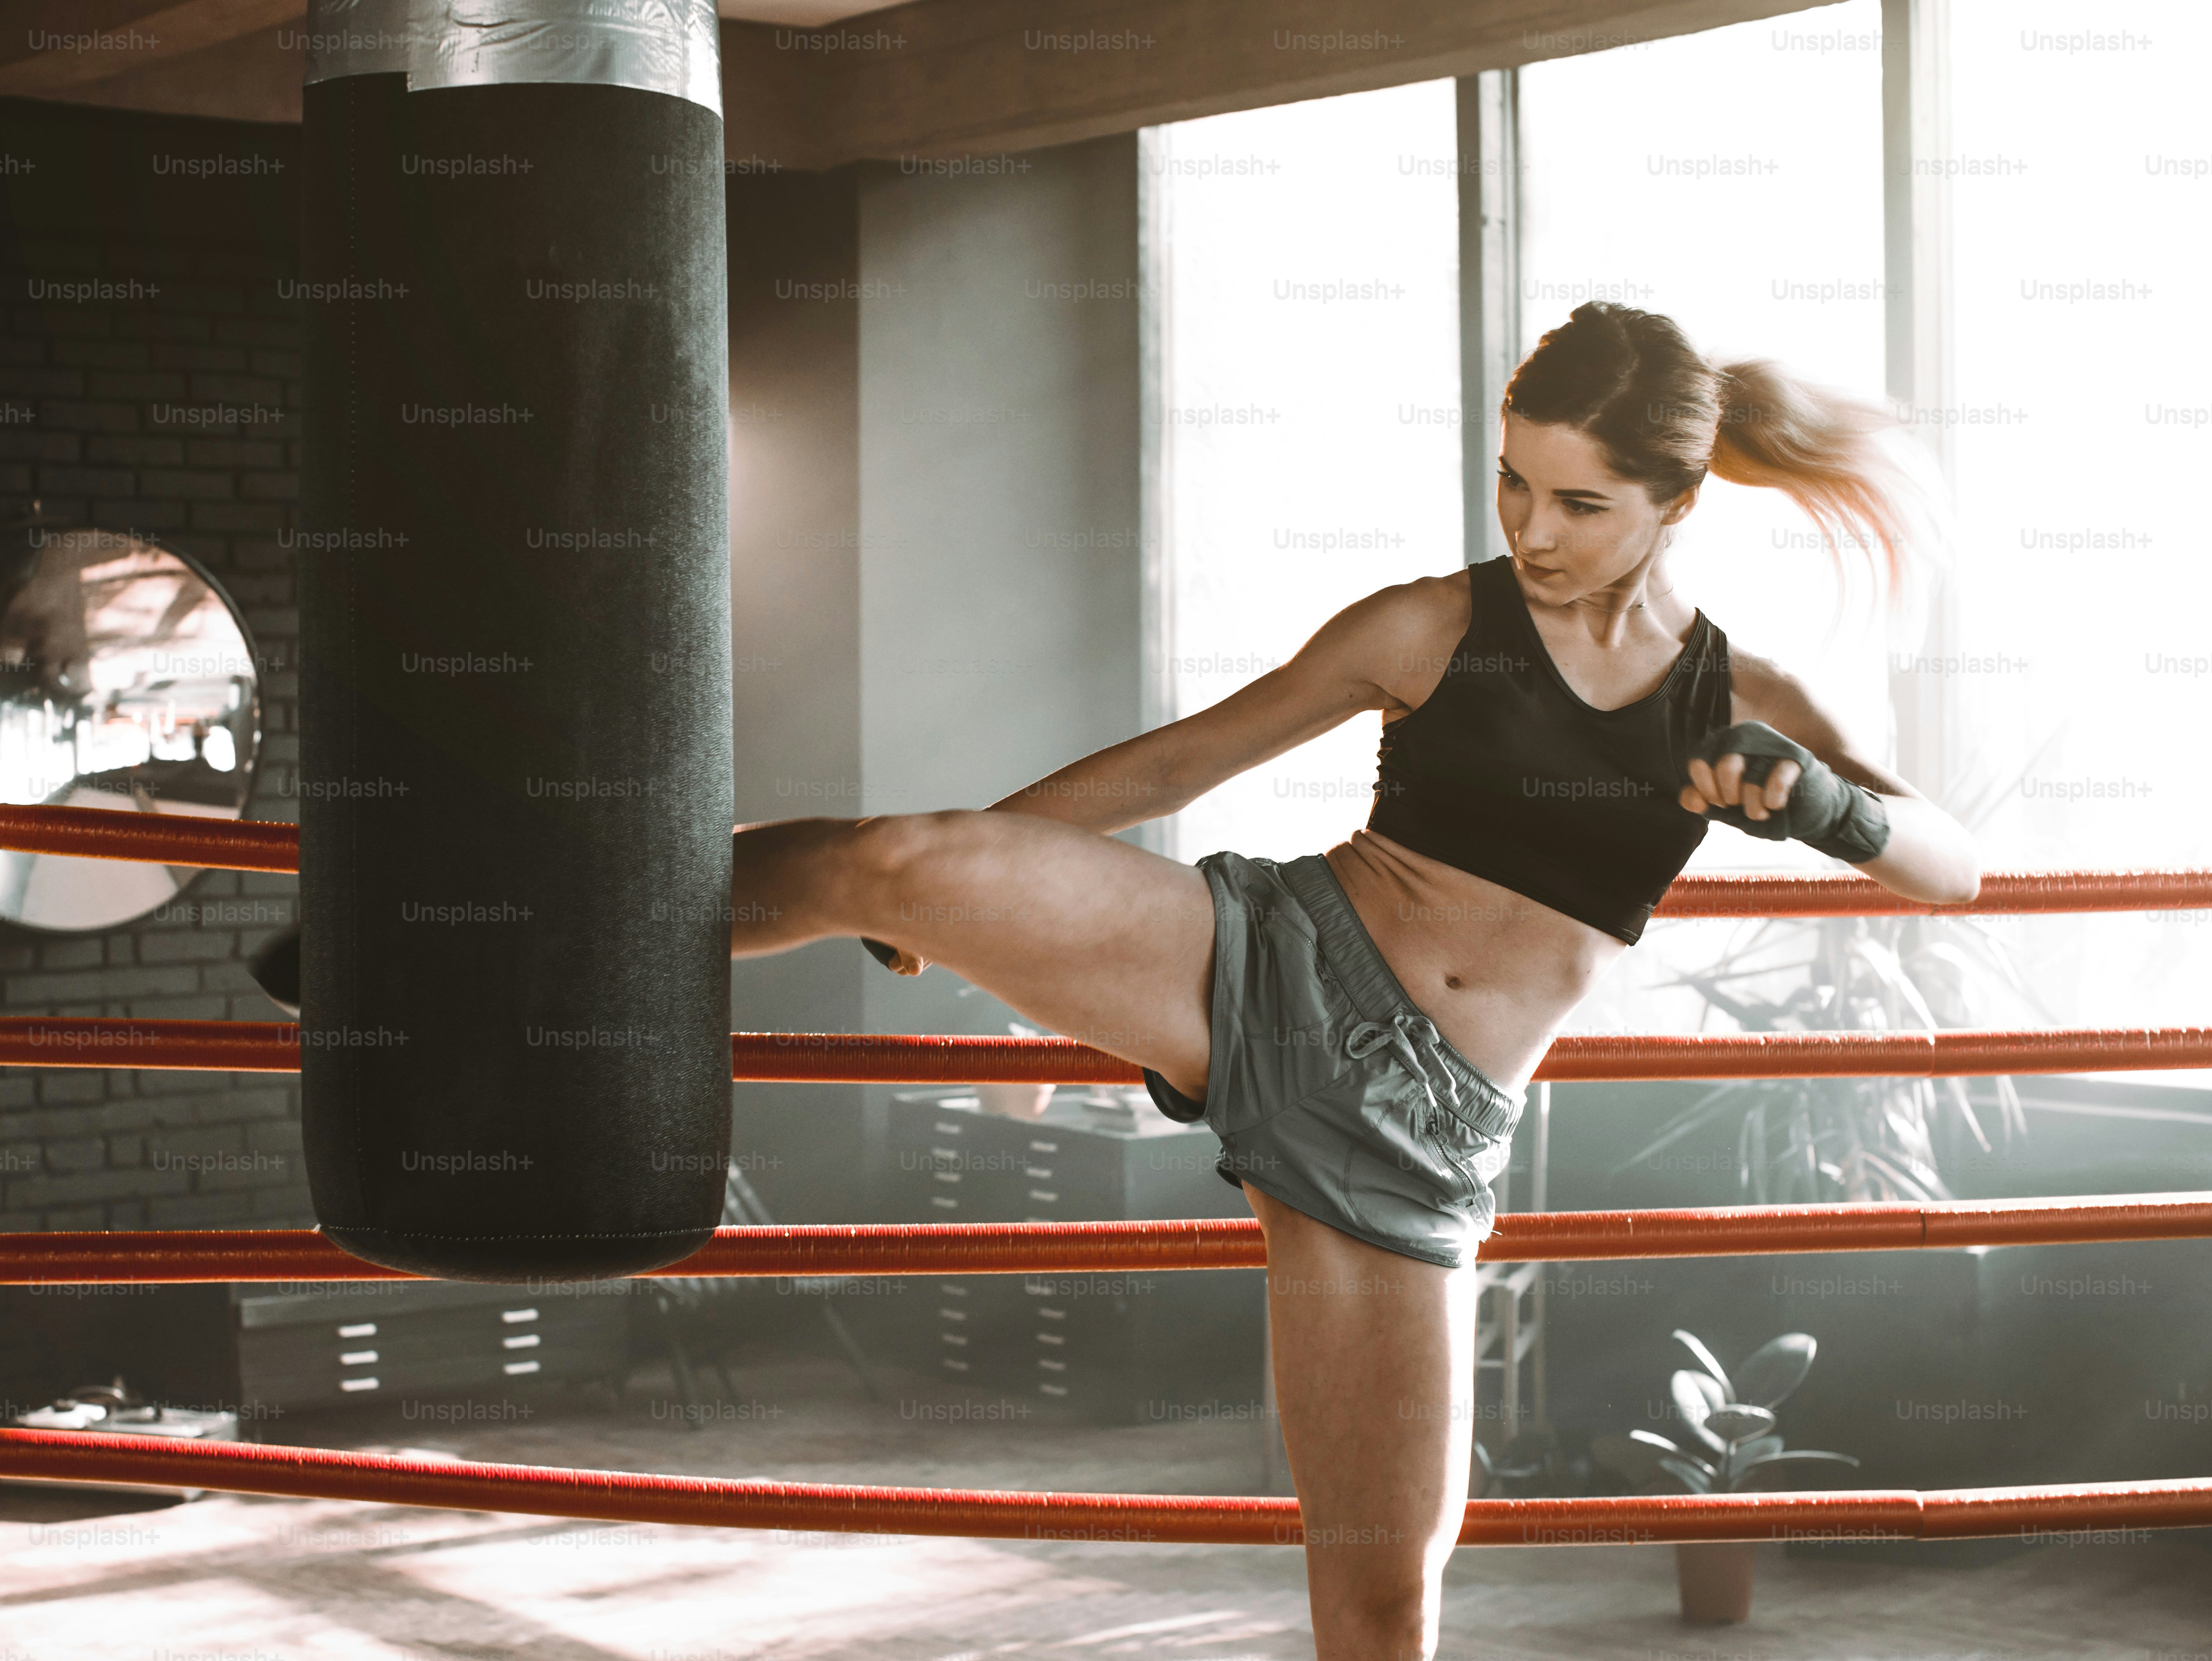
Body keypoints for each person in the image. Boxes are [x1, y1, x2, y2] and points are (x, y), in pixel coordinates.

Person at [727, 301, 1981, 1659]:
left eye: (1581, 501)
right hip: (1274, 965)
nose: (1533, 529)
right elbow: (1177, 764)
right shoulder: (1430, 622)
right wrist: (969, 893)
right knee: (900, 856)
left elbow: (1947, 866)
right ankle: (574, 933)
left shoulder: (1742, 695)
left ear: (1675, 502)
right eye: (1511, 479)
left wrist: (1816, 806)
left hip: (1417, 1134)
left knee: (1380, 1596)